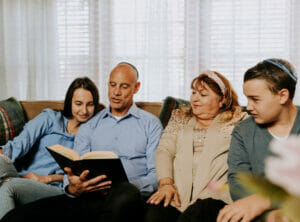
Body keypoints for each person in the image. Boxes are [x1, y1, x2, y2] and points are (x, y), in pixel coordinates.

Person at [1, 62, 163, 222]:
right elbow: (74, 167)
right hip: (88, 195)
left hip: (129, 194)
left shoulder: (151, 124)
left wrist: (126, 186)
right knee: (15, 218)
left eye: (124, 86)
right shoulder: (90, 125)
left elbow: (156, 175)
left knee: (124, 193)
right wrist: (72, 186)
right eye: (112, 85)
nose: (116, 92)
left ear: (136, 87)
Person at [145, 70, 247, 222]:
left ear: (222, 100)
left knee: (199, 213)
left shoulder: (238, 120)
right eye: (193, 93)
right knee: (153, 213)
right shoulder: (180, 118)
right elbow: (164, 151)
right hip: (175, 195)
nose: (195, 99)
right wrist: (166, 183)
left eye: (203, 95)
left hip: (214, 198)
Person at [0, 77, 100, 219]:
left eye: (89, 104)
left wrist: (46, 178)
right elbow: (18, 145)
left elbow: (80, 177)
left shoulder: (93, 134)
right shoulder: (50, 118)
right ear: (70, 102)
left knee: (8, 187)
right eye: (78, 103)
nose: (84, 110)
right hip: (20, 174)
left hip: (53, 188)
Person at [217, 58, 300, 222]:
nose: (248, 107)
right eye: (247, 98)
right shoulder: (242, 132)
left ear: (283, 95)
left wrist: (265, 200)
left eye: (255, 99)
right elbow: (238, 184)